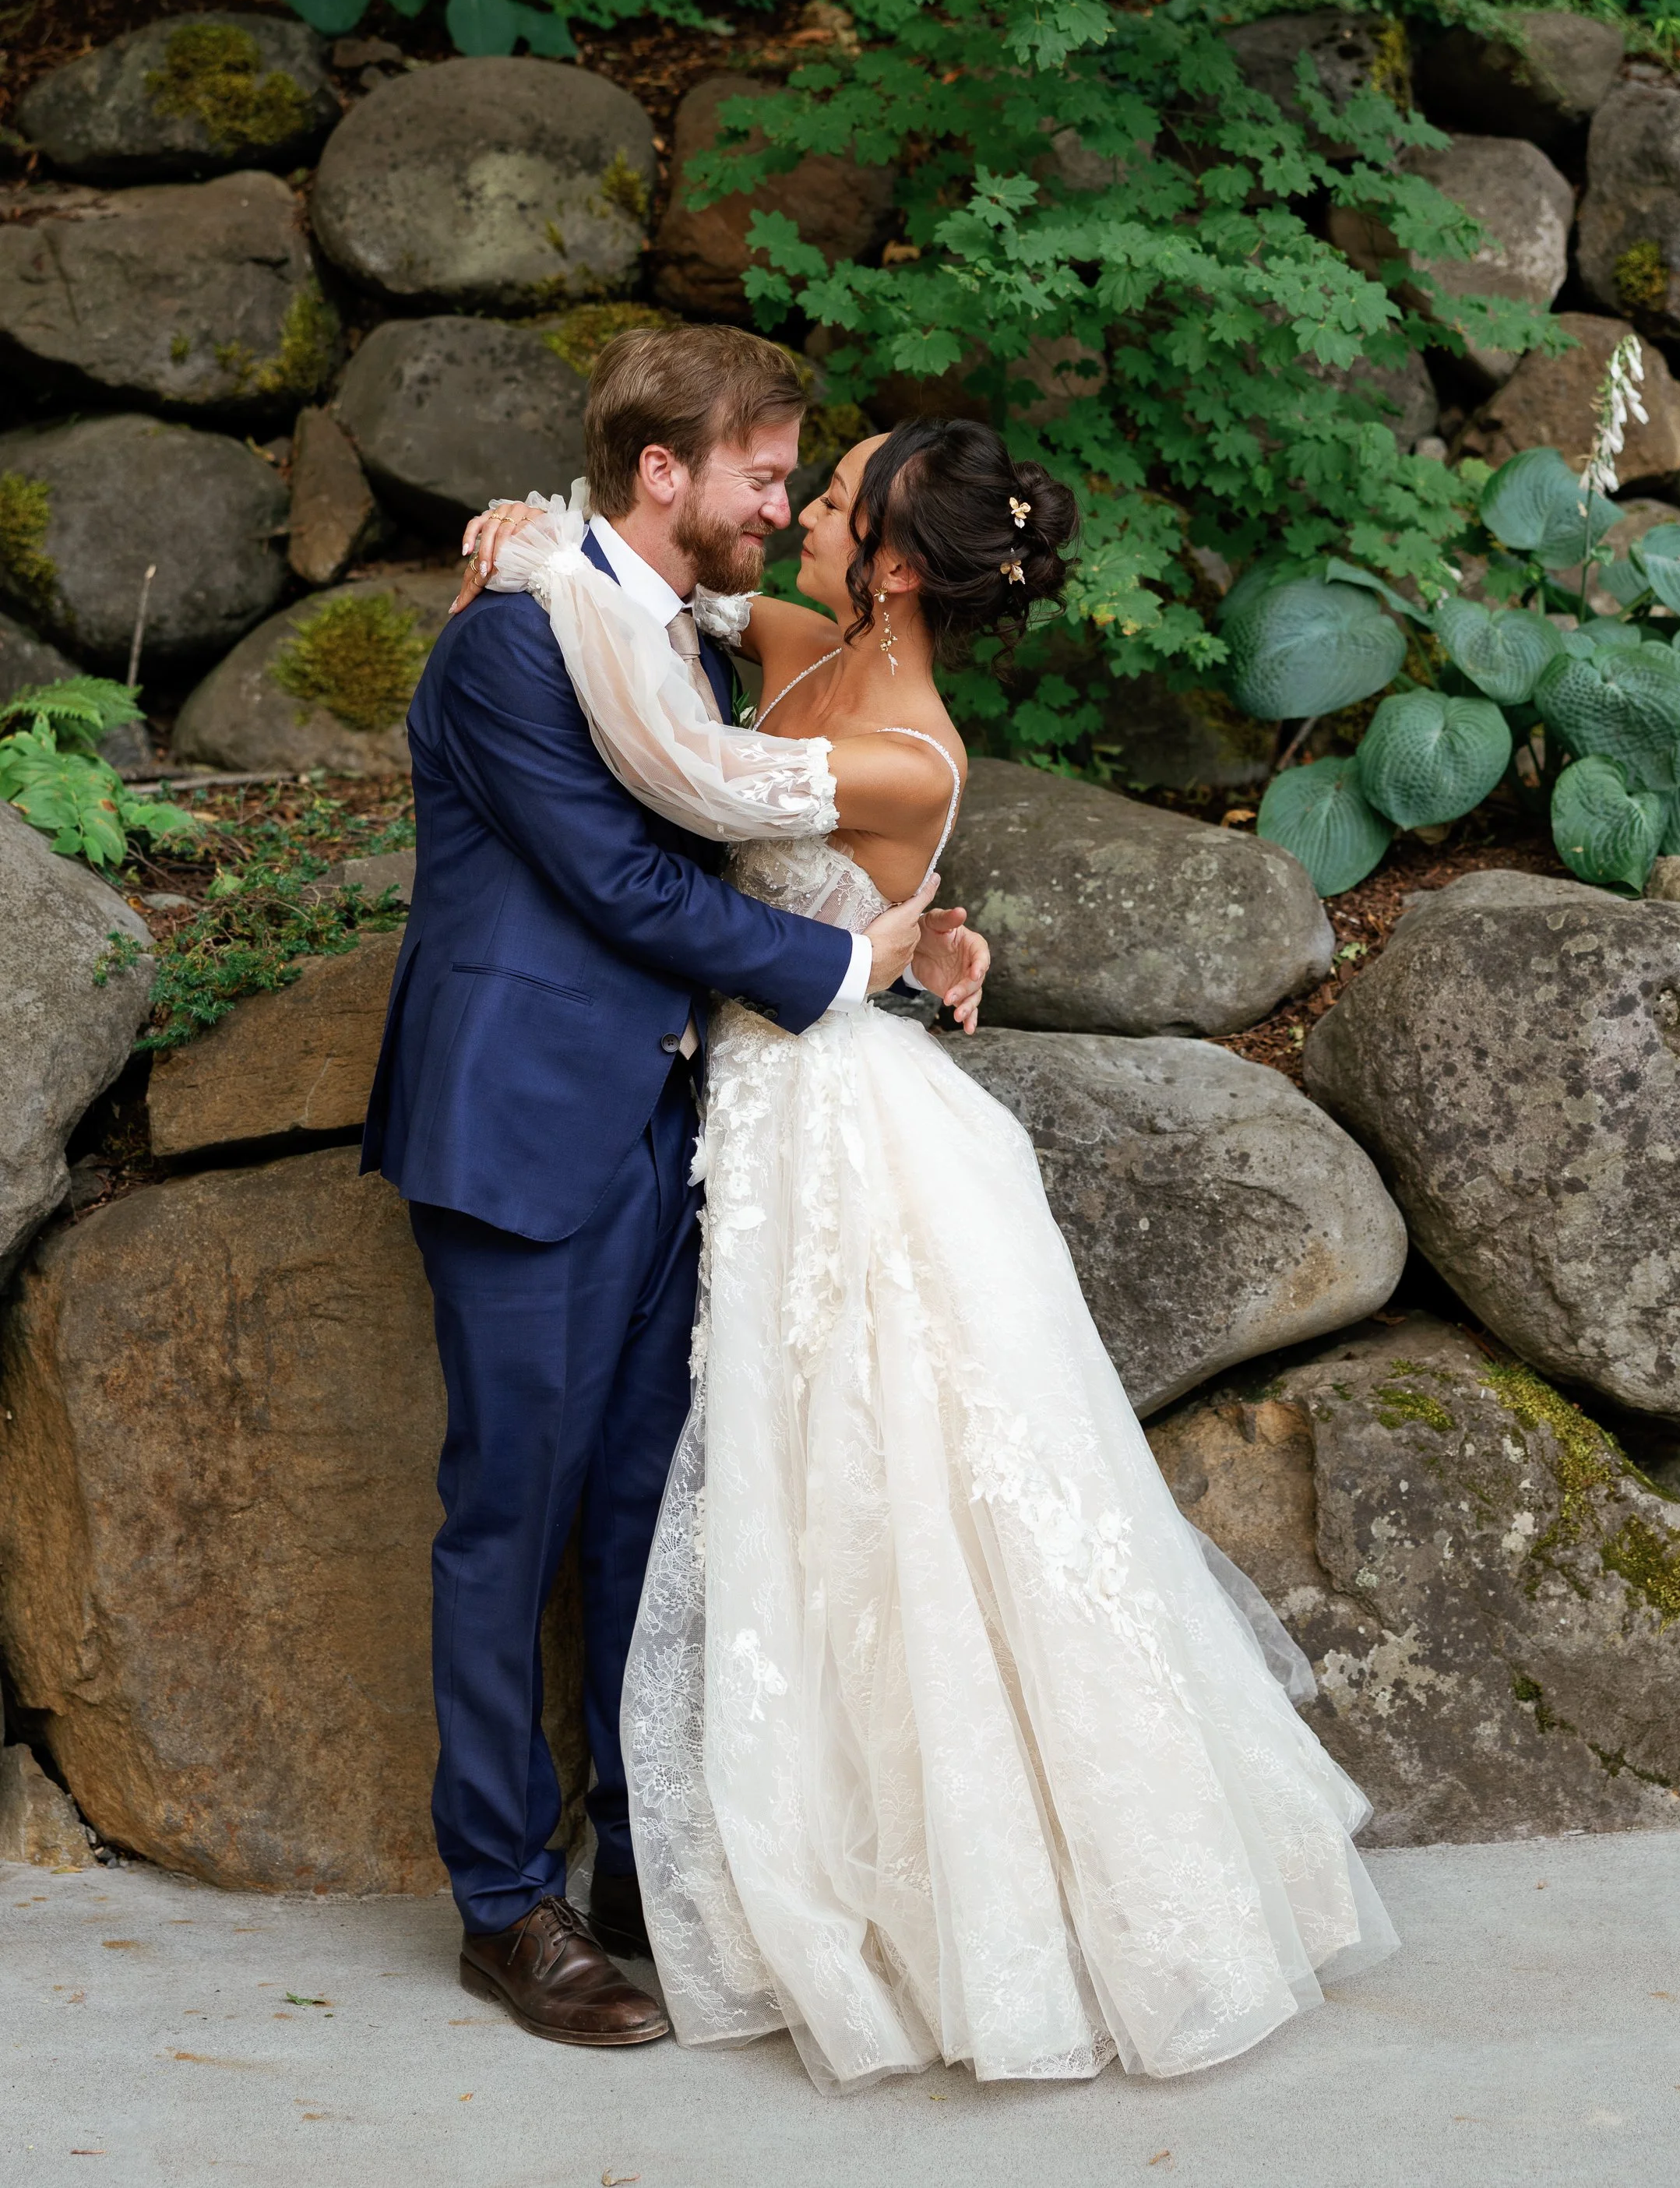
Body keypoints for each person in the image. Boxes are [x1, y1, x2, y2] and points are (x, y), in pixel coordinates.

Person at [463, 410, 1399, 2091]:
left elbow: (685, 777)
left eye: (826, 497)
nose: (800, 511)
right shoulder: (812, 641)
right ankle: (694, 1856)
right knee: (749, 1493)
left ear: (895, 557)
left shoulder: (905, 751)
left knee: (868, 1495)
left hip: (829, 1123)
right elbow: (661, 601)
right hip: (741, 1109)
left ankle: (921, 1881)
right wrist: (536, 525)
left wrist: (540, 561)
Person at [362, 326, 988, 2051]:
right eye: (765, 474)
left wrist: (929, 925)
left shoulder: (680, 639)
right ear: (667, 473)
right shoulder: (512, 645)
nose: (782, 504)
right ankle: (505, 1903)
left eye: (802, 484)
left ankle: (649, 1871)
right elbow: (629, 877)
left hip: (674, 1128)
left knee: (650, 1514)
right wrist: (854, 969)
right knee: (511, 1516)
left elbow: (812, 779)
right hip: (523, 1127)